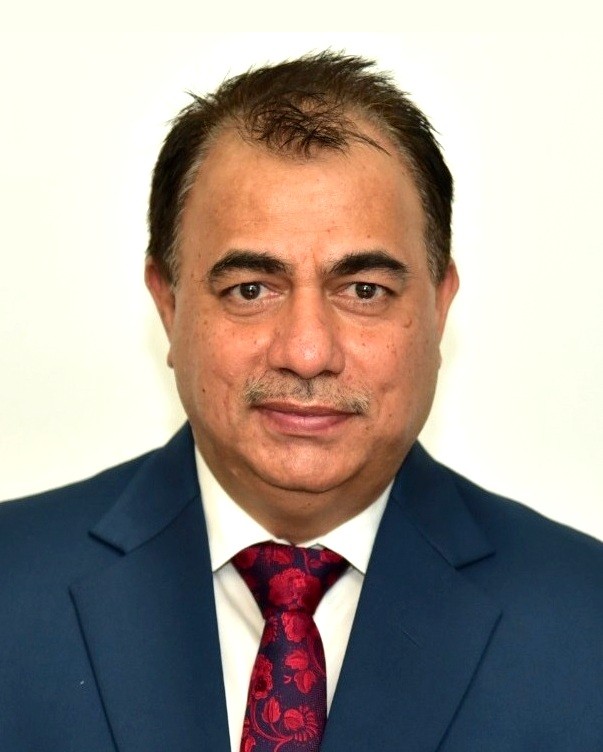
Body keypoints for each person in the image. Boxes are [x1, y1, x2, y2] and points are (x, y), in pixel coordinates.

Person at [1, 51, 601, 752]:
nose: (308, 351)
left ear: (440, 307)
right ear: (168, 306)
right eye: (251, 289)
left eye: (364, 290)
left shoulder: (585, 620)